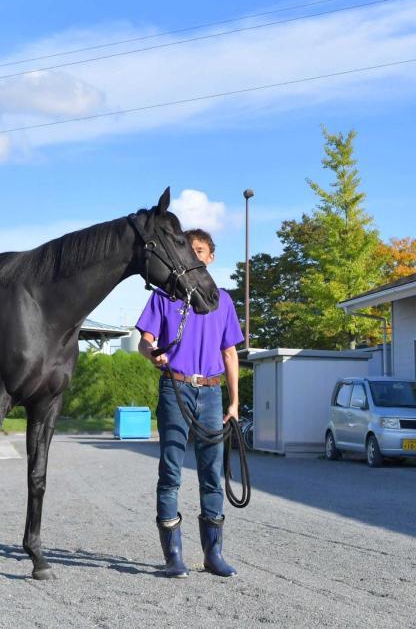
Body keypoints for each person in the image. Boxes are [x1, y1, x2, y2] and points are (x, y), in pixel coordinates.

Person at [136, 228, 243, 578]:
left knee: (212, 472)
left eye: (202, 251)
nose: (196, 255)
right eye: (190, 250)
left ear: (211, 257)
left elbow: (229, 353)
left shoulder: (223, 301)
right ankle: (174, 556)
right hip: (175, 388)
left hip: (212, 394)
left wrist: (234, 402)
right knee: (170, 471)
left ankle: (214, 554)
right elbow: (145, 341)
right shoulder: (165, 298)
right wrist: (152, 353)